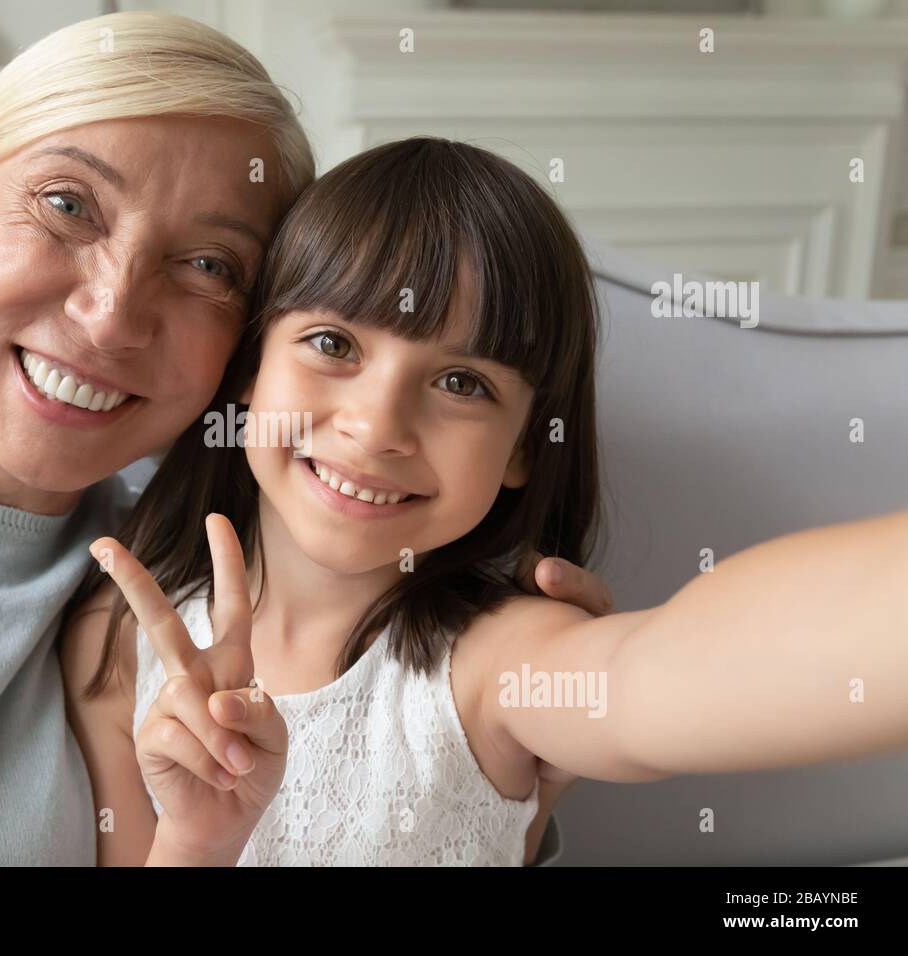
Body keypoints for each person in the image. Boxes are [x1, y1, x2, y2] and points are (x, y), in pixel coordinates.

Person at [0, 13, 605, 866]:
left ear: (246, 348)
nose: (113, 314)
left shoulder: (172, 594)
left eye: (207, 263)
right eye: (67, 204)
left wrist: (518, 760)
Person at [60, 138, 908, 866]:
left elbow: (660, 675)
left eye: (461, 382)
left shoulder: (499, 663)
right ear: (250, 371)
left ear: (523, 451)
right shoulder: (119, 639)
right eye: (332, 343)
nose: (377, 425)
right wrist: (197, 844)